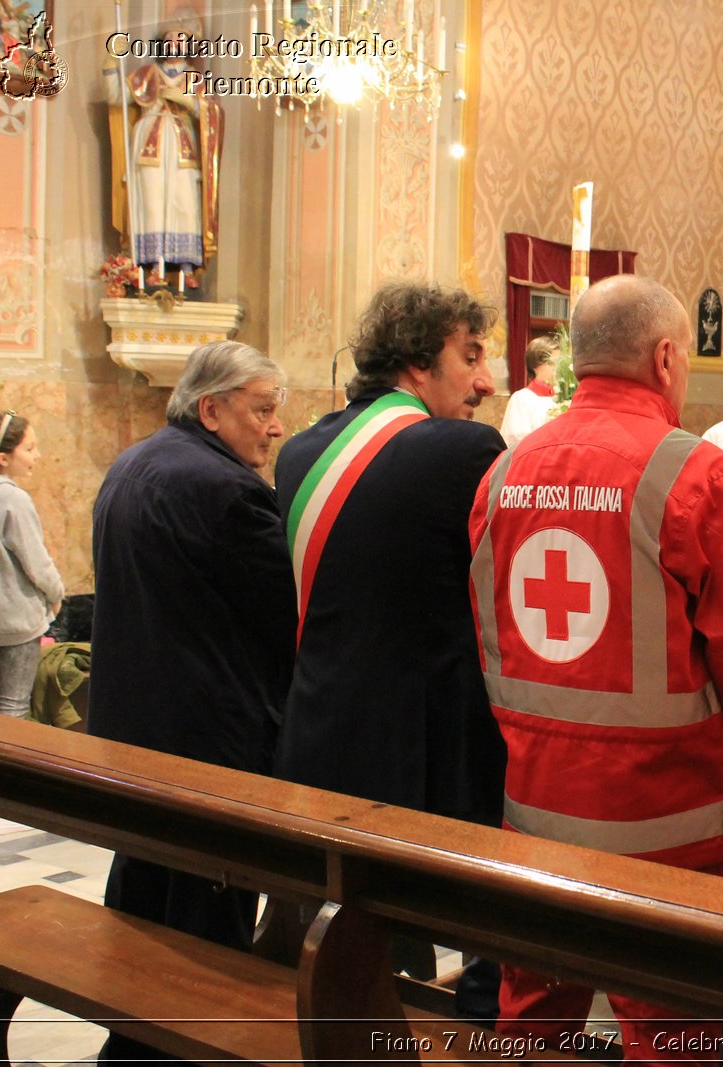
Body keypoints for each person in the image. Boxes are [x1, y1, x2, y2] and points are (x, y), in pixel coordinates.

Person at [469, 274, 723, 1059]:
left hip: (536, 805)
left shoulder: (504, 471)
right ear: (668, 357)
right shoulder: (696, 471)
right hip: (666, 818)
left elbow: (490, 632)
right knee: (670, 1033)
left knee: (532, 1023)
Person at [89, 342, 296, 1061]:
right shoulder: (229, 492)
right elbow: (286, 612)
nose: (274, 429)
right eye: (263, 410)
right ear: (211, 409)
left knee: (145, 902)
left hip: (132, 733)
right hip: (210, 742)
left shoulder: (132, 463)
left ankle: (130, 1043)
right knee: (207, 927)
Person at [275, 283, 507, 825]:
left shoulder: (297, 453)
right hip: (421, 763)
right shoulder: (462, 449)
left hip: (316, 739)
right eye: (470, 357)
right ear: (416, 362)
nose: (486, 382)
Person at [107, 27, 222, 288]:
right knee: (152, 203)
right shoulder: (147, 74)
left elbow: (212, 114)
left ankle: (186, 266)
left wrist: (189, 103)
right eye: (169, 39)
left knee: (184, 203)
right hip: (150, 143)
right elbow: (117, 97)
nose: (174, 43)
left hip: (183, 148)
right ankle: (153, 265)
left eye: (180, 39)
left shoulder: (196, 79)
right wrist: (110, 65)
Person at [0, 411, 62, 725]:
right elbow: (36, 562)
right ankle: (8, 776)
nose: (37, 456)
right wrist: (57, 593)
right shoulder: (12, 498)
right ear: (2, 457)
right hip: (16, 625)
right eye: (29, 448)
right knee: (13, 710)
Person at [499, 333, 561, 447]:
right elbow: (515, 442)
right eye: (551, 363)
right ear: (535, 365)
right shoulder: (521, 399)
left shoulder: (562, 399)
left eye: (559, 363)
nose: (556, 368)